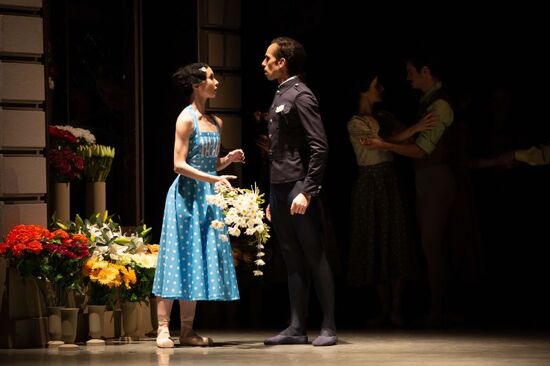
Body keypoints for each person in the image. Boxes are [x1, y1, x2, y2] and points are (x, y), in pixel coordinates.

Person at [152, 62, 245, 348]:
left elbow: (208, 161)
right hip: (185, 198)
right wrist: (211, 178)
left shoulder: (216, 122)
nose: (216, 82)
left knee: (195, 260)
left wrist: (227, 161)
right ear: (196, 84)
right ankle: (163, 328)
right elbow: (179, 164)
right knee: (177, 257)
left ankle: (188, 330)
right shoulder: (186, 118)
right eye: (210, 78)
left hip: (207, 198)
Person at [362, 55, 456, 326]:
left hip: (435, 177)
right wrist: (402, 129)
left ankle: (440, 310)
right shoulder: (429, 103)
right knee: (431, 246)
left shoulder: (439, 105)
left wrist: (385, 145)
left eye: (411, 71)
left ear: (426, 70)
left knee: (433, 246)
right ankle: (438, 308)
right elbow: (420, 140)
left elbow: (421, 149)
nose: (408, 77)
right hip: (427, 177)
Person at [261, 37, 336, 346]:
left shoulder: (301, 95)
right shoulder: (280, 93)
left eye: (268, 58)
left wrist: (307, 190)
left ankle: (328, 327)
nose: (263, 63)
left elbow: (320, 147)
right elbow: (279, 150)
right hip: (279, 187)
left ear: (283, 63)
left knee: (314, 254)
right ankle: (296, 327)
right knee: (291, 258)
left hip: (297, 186)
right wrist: (271, 195)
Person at [347, 72, 437, 326]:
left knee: (394, 239)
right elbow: (378, 143)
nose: (381, 89)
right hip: (369, 181)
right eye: (376, 85)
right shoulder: (355, 122)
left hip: (387, 179)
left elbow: (397, 140)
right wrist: (415, 128)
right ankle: (384, 307)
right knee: (374, 241)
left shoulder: (384, 117)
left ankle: (396, 306)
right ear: (363, 90)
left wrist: (413, 130)